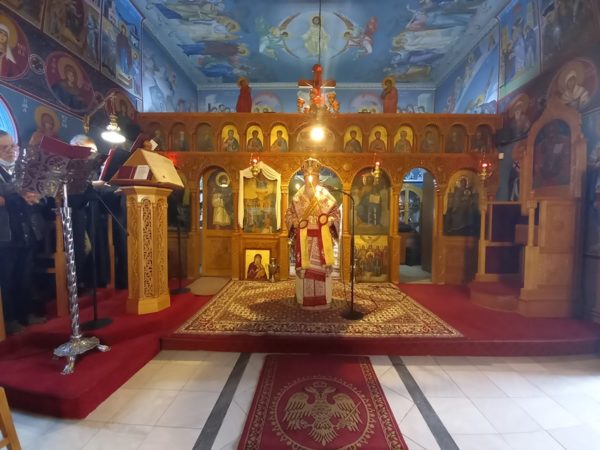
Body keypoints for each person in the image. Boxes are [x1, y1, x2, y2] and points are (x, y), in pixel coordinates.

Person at [0, 130, 47, 335]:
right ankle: (10, 320)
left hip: (26, 229)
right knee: (8, 277)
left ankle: (26, 314)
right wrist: (17, 196)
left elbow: (39, 196)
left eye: (12, 146)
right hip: (5, 234)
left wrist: (36, 197)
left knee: (25, 274)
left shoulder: (22, 169)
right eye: (4, 148)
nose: (10, 150)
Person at [285, 158, 340, 309]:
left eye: (313, 177)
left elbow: (335, 213)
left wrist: (330, 220)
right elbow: (288, 215)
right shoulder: (298, 197)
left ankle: (324, 300)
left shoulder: (325, 194)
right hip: (304, 239)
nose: (310, 180)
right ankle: (303, 300)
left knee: (321, 268)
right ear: (304, 178)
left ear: (318, 177)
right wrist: (294, 222)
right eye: (307, 177)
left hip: (322, 239)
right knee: (305, 269)